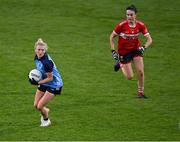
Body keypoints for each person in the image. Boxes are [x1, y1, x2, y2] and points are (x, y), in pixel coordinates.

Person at [109, 5, 152, 98]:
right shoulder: (121, 26)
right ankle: (120, 63)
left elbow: (149, 40)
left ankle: (141, 92)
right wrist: (113, 51)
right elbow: (111, 37)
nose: (129, 17)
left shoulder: (140, 25)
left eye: (131, 15)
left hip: (136, 50)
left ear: (135, 15)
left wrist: (143, 47)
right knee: (130, 77)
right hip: (124, 52)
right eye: (127, 15)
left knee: (140, 71)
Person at [29, 38, 63, 126]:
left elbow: (50, 78)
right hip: (44, 81)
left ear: (45, 50)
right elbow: (40, 69)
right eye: (38, 49)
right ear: (35, 50)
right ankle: (46, 110)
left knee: (40, 106)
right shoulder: (36, 57)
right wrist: (34, 77)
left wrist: (38, 82)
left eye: (42, 50)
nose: (40, 52)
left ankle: (46, 120)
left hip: (54, 84)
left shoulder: (47, 63)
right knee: (36, 105)